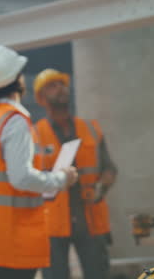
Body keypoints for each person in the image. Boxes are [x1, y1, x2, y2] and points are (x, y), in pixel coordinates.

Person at [0, 46, 78, 279]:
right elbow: (21, 178)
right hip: (16, 231)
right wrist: (60, 179)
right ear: (17, 79)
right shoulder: (14, 121)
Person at [33, 68, 117, 279]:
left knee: (98, 274)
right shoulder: (34, 134)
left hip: (90, 217)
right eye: (52, 86)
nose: (60, 89)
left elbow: (109, 168)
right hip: (52, 223)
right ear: (42, 98)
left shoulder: (90, 128)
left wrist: (102, 186)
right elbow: (31, 178)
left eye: (62, 84)